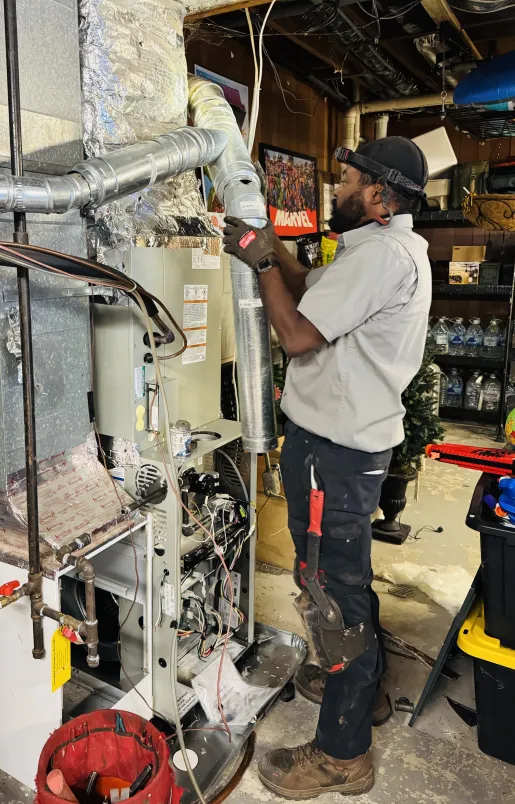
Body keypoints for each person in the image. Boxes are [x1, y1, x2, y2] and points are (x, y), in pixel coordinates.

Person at [223, 137, 432, 799]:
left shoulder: (380, 258)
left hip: (335, 454)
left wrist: (258, 263)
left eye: (343, 179)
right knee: (342, 578)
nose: (333, 188)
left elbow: (297, 334)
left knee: (328, 591)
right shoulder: (379, 249)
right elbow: (311, 289)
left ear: (378, 195)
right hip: (344, 446)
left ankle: (343, 753)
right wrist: (269, 247)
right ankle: (358, 687)